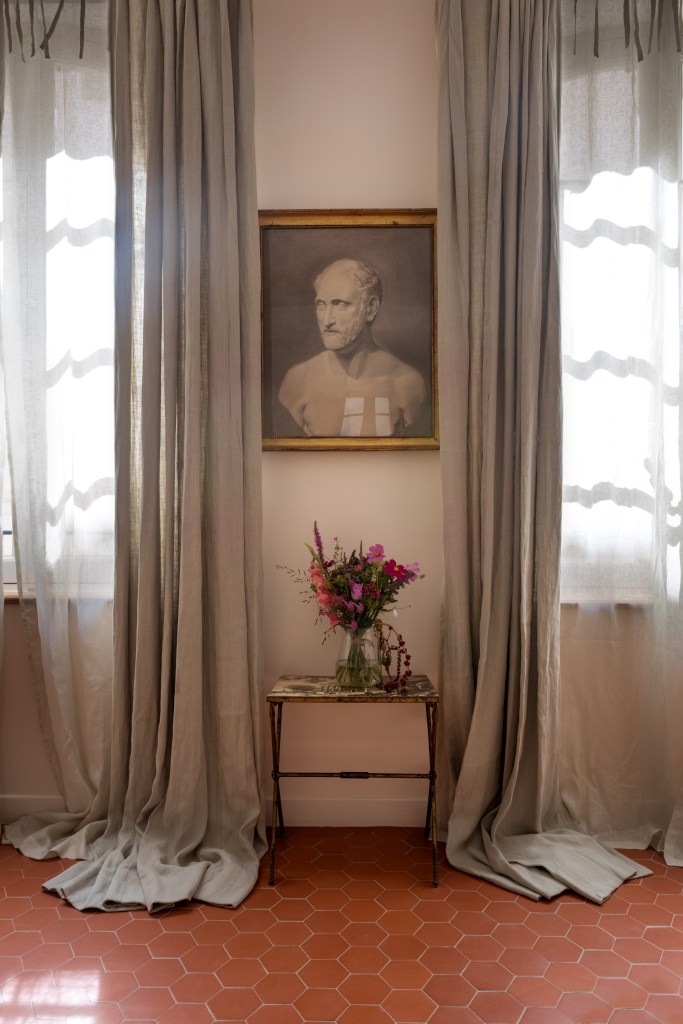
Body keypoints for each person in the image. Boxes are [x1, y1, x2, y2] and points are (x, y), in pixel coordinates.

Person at [278, 258, 428, 437]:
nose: (327, 321)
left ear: (371, 308)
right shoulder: (298, 381)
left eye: (340, 304)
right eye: (321, 305)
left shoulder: (407, 384)